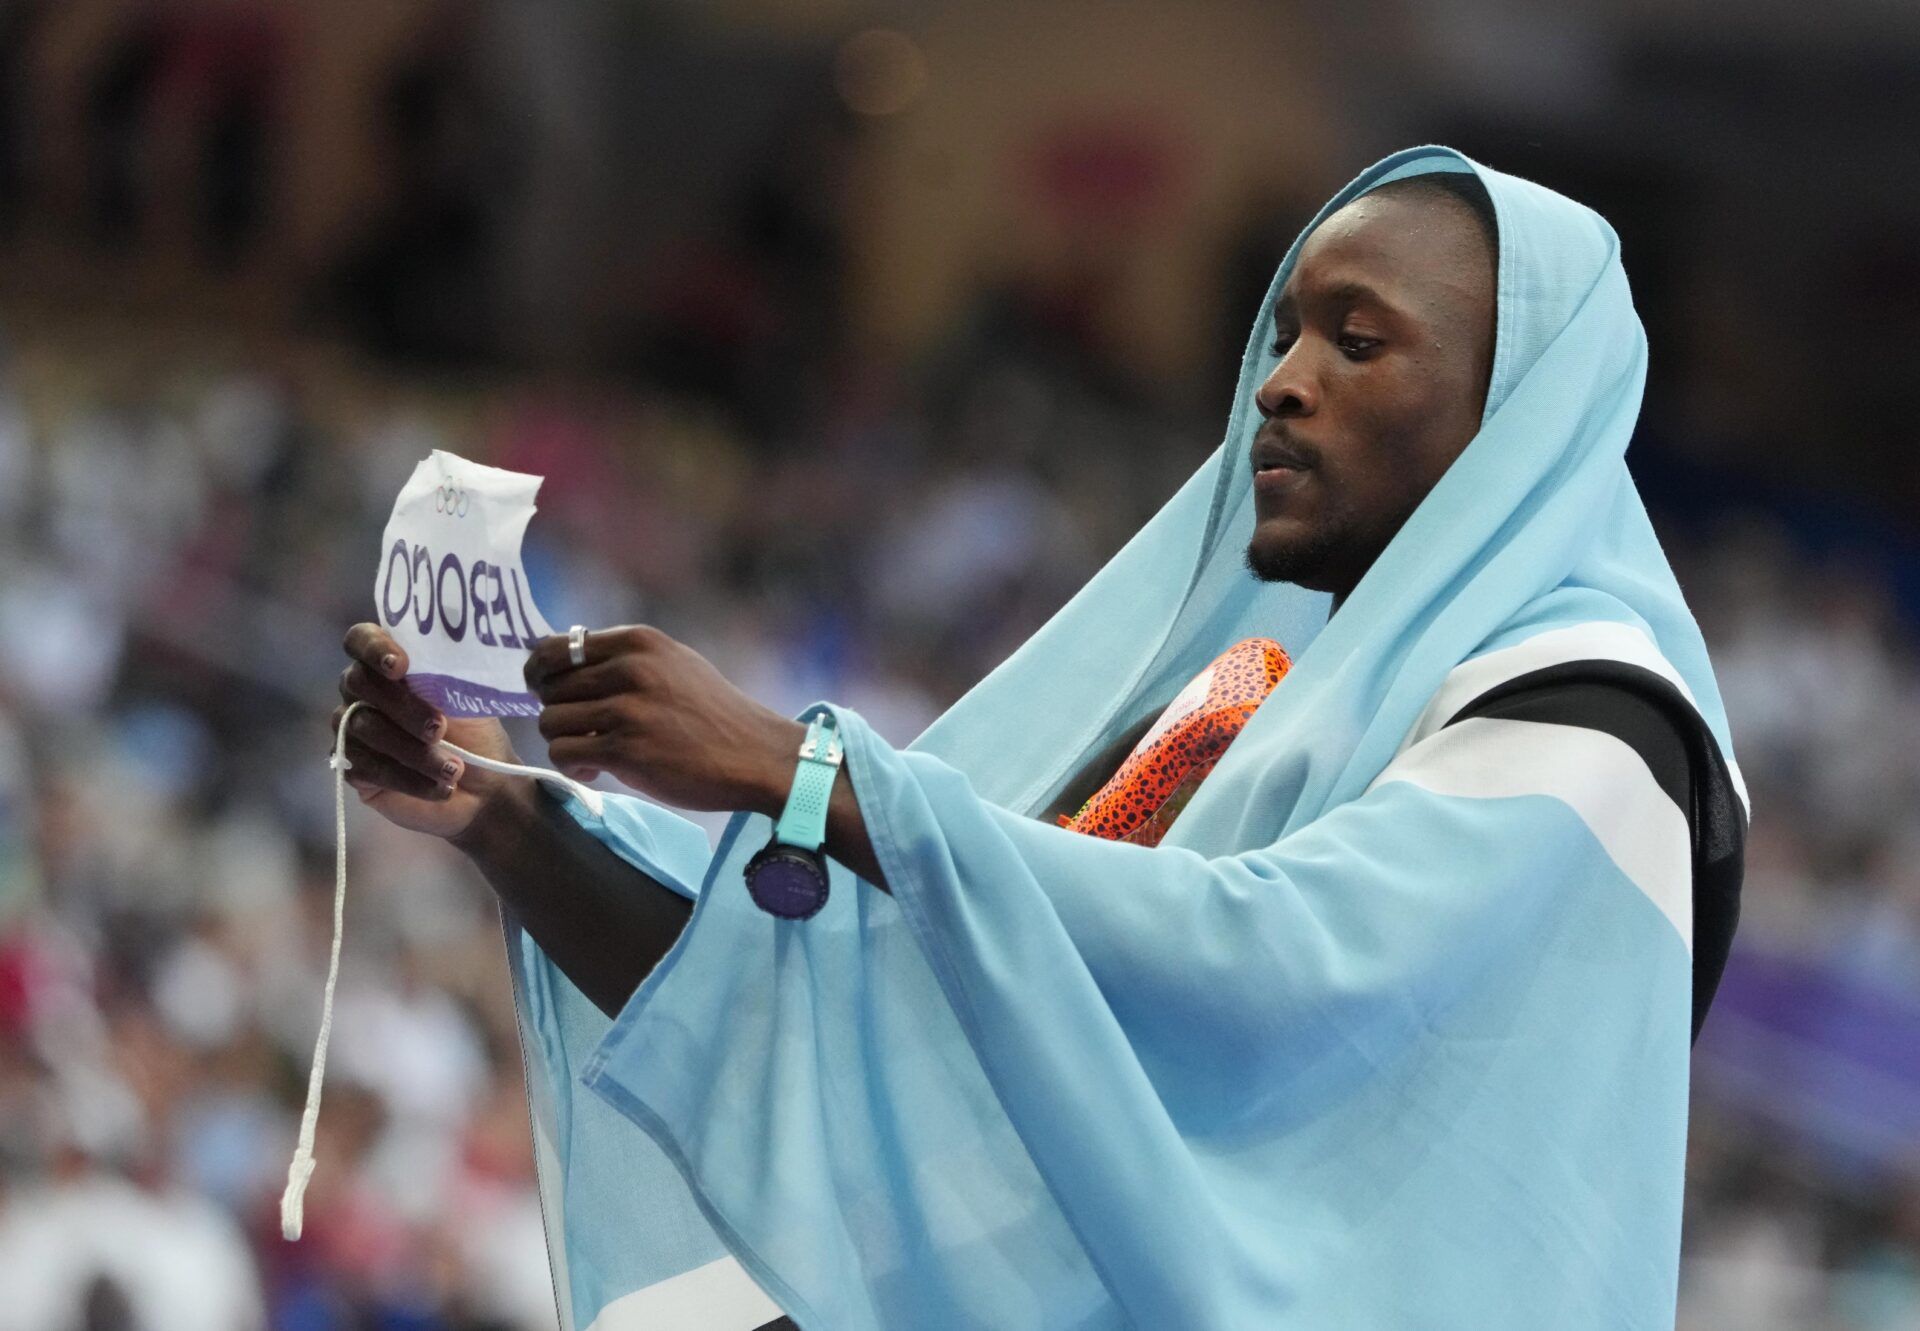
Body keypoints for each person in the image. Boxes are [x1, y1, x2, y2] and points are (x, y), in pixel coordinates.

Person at [333, 146, 1748, 1330]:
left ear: (1517, 413)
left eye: (1359, 342)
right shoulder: (1237, 702)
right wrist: (496, 814)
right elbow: (882, 1000)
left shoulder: (1594, 722)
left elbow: (1267, 960)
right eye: (1284, 333)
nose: (1280, 382)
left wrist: (802, 769)